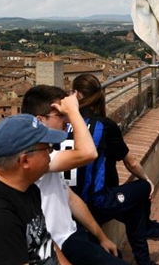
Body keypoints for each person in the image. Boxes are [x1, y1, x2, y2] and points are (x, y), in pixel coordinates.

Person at [69, 74, 159, 265]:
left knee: (134, 211)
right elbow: (131, 162)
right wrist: (148, 180)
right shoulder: (104, 125)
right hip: (95, 203)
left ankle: (144, 261)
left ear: (75, 95)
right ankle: (148, 227)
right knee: (142, 188)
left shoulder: (61, 124)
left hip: (70, 202)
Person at [21, 85, 128, 265]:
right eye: (60, 115)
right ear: (40, 120)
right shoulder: (36, 160)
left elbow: (71, 199)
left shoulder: (48, 152)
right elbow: (88, 153)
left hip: (73, 236)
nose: (67, 121)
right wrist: (73, 111)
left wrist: (102, 237)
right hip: (56, 246)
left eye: (66, 114)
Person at [0, 114, 70, 265]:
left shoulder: (28, 189)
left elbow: (46, 244)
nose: (51, 152)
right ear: (25, 161)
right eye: (47, 147)